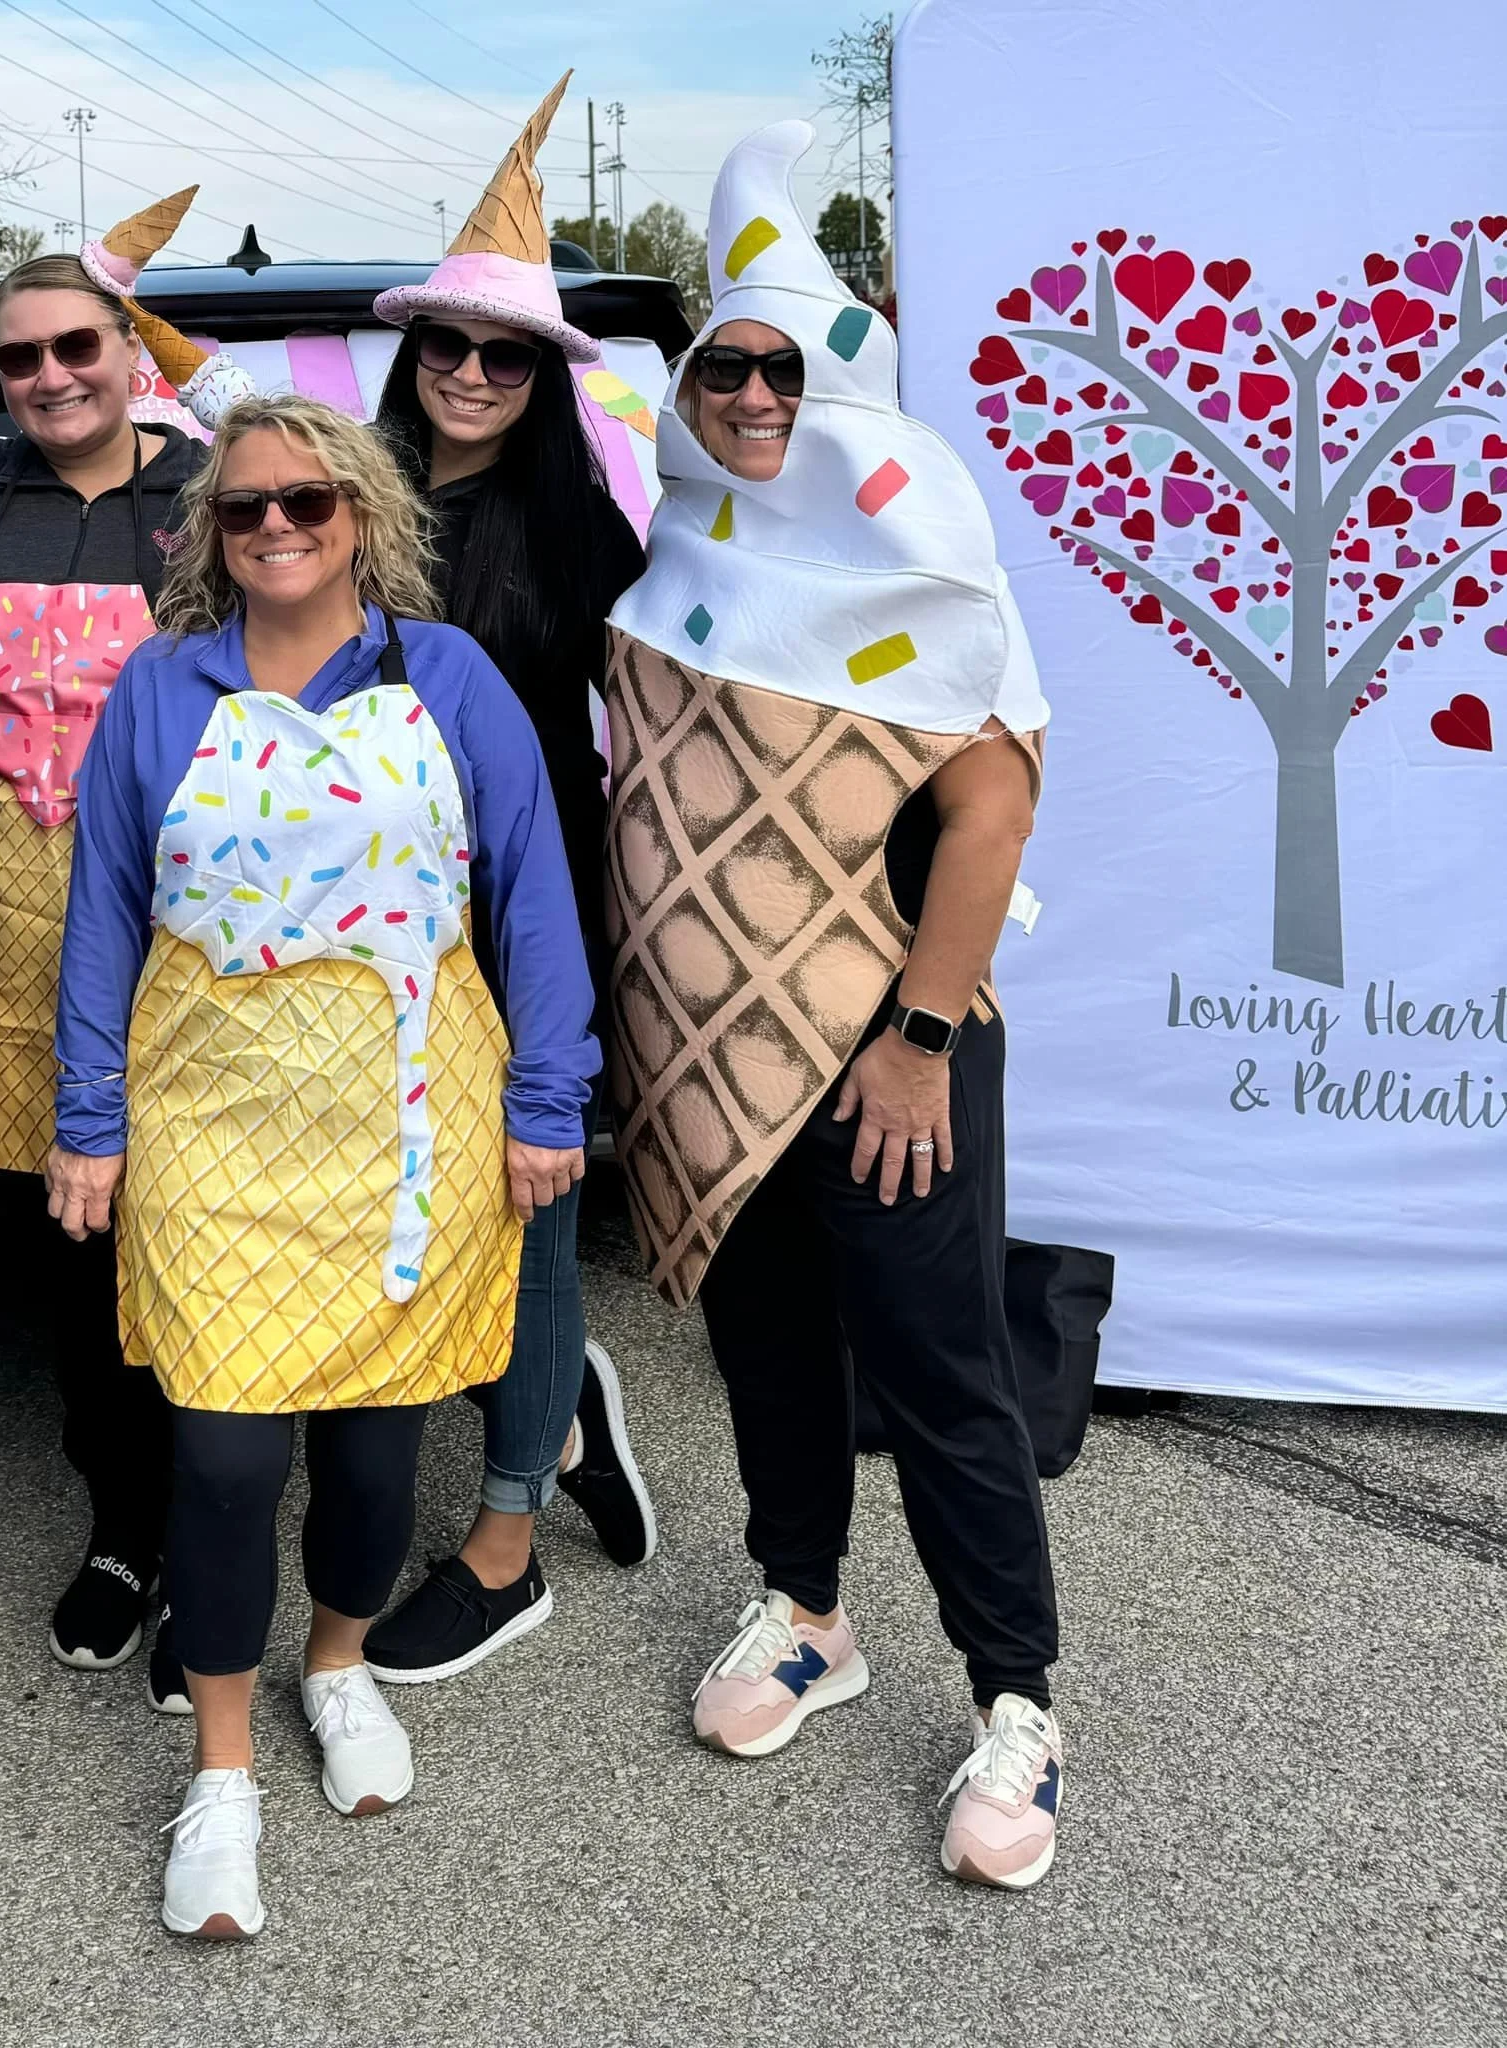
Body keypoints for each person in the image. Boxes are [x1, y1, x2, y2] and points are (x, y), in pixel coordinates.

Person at [48, 394, 596, 1938]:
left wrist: (550, 1099)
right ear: (210, 536)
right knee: (221, 1459)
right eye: (245, 509)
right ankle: (222, 1773)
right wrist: (88, 1120)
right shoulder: (161, 690)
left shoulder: (454, 679)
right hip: (211, 1117)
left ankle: (339, 1663)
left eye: (309, 502)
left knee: (371, 1449)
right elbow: (101, 908)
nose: (278, 527)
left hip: (406, 1117)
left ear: (365, 515)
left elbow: (536, 897)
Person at [604, 124, 1067, 1889]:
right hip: (716, 1066)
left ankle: (1018, 1705)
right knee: (766, 1344)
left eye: (784, 371)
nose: (748, 398)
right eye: (724, 365)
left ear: (849, 385)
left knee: (944, 1374)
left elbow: (994, 806)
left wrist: (925, 1035)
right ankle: (807, 1608)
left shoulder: (926, 562)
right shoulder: (681, 549)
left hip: (891, 1054)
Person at [0, 203, 253, 1675]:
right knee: (79, 1238)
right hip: (8, 923)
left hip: (191, 926)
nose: (49, 376)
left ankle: (220, 1547)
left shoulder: (217, 499)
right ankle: (124, 1524)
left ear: (131, 353)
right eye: (18, 357)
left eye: (76, 346)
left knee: (201, 1227)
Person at [357, 73, 656, 1687]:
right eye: (451, 347)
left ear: (543, 378)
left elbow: (692, 702)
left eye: (508, 355)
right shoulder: (335, 509)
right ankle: (556, 1400)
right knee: (407, 1197)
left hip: (527, 908)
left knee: (526, 1198)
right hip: (357, 920)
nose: (473, 375)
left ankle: (508, 1538)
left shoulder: (586, 530)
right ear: (414, 357)